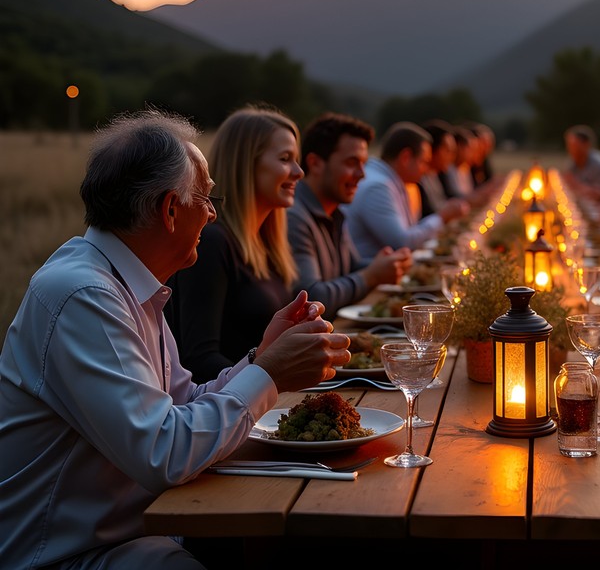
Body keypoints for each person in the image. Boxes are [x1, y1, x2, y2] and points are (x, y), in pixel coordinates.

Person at [0, 109, 351, 570]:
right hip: (70, 553)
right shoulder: (84, 296)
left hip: (138, 529)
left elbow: (184, 403)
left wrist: (258, 358)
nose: (211, 214)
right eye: (205, 199)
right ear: (169, 210)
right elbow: (162, 453)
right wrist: (269, 373)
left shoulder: (128, 285)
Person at [168, 105, 303, 382]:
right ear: (246, 164)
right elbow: (198, 359)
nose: (299, 171)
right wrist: (265, 383)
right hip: (235, 411)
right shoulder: (212, 242)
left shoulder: (267, 243)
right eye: (285, 158)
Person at [288, 112, 412, 315]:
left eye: (363, 163)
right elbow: (310, 298)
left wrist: (387, 264)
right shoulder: (294, 216)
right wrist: (371, 276)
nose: (362, 175)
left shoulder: (334, 211)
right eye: (352, 163)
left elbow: (350, 266)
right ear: (315, 163)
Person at [346, 121, 469, 257]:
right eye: (424, 162)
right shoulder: (378, 187)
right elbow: (403, 242)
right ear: (406, 157)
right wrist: (441, 217)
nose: (427, 169)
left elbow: (410, 231)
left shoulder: (394, 181)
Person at [563, 124, 600, 191]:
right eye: (569, 145)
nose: (571, 149)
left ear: (586, 144)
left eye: (575, 146)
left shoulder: (598, 164)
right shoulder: (572, 163)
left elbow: (599, 193)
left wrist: (576, 185)